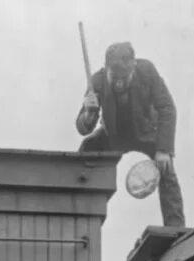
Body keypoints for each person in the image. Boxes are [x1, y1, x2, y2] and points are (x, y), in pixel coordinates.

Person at [76, 41, 186, 229]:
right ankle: (82, 217)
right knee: (88, 148)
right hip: (114, 136)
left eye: (124, 77)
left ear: (134, 67)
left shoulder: (147, 71)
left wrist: (164, 150)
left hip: (146, 132)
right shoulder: (96, 82)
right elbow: (83, 127)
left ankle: (175, 228)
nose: (119, 83)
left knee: (166, 167)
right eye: (114, 77)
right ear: (106, 69)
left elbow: (167, 108)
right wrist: (88, 113)